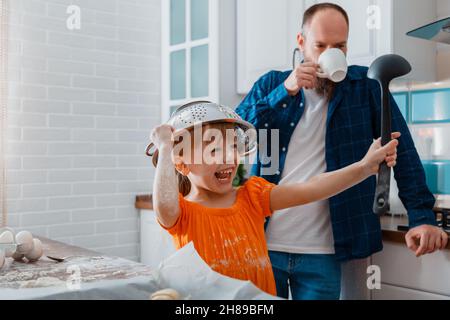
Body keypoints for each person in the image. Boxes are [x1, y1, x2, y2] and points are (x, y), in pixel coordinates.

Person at [235, 2, 448, 300]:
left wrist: (422, 216)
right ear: (301, 42)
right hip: (262, 244)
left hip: (325, 253)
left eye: (339, 46)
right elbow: (234, 136)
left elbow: (404, 154)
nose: (328, 54)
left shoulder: (368, 86)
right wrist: (286, 89)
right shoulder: (272, 83)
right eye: (320, 45)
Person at [150, 103, 399, 296]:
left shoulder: (251, 195)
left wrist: (364, 167)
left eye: (232, 147)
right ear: (181, 164)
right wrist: (165, 148)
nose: (228, 157)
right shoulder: (182, 213)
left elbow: (311, 187)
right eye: (213, 149)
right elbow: (163, 204)